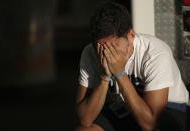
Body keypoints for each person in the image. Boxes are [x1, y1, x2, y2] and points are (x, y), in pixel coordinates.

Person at [75, 1, 189, 131]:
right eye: (101, 49)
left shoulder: (155, 52)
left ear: (131, 36)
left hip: (171, 108)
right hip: (124, 107)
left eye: (114, 48)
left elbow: (150, 124)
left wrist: (119, 73)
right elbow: (85, 119)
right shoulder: (90, 53)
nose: (107, 55)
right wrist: (105, 77)